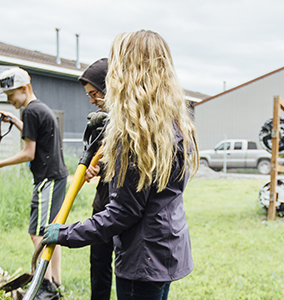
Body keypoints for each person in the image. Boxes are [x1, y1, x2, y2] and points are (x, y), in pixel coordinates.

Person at [40, 29, 197, 300]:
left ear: (127, 72)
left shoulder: (135, 135)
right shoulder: (172, 123)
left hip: (143, 261)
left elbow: (122, 213)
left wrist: (65, 233)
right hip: (165, 251)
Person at [0, 67, 69, 294]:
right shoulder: (37, 109)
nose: (9, 100)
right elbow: (37, 136)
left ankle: (45, 286)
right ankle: (55, 283)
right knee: (51, 231)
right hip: (55, 176)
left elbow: (29, 153)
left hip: (46, 179)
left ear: (24, 88)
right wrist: (15, 122)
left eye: (11, 95)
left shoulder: (30, 111)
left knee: (38, 233)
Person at [78, 57, 115, 300]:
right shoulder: (100, 124)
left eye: (94, 93)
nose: (92, 100)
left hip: (125, 207)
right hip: (103, 204)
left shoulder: (132, 122)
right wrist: (93, 169)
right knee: (99, 266)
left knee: (124, 269)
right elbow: (88, 159)